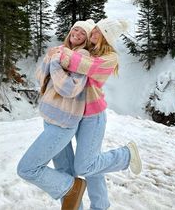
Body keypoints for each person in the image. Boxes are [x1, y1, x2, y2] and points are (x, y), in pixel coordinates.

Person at [53, 18, 142, 210]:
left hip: (93, 116)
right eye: (93, 30)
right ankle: (99, 206)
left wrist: (61, 53)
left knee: (85, 166)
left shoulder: (110, 57)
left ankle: (126, 155)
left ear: (106, 37)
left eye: (97, 32)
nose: (93, 34)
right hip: (74, 114)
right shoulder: (90, 49)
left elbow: (83, 65)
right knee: (92, 164)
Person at [17, 19, 96, 210]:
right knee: (63, 170)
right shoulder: (60, 50)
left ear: (86, 39)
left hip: (63, 123)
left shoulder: (81, 56)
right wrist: (50, 59)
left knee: (27, 169)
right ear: (70, 30)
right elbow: (40, 77)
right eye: (75, 29)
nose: (77, 33)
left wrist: (54, 62)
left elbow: (69, 88)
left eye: (83, 33)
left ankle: (73, 186)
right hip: (51, 120)